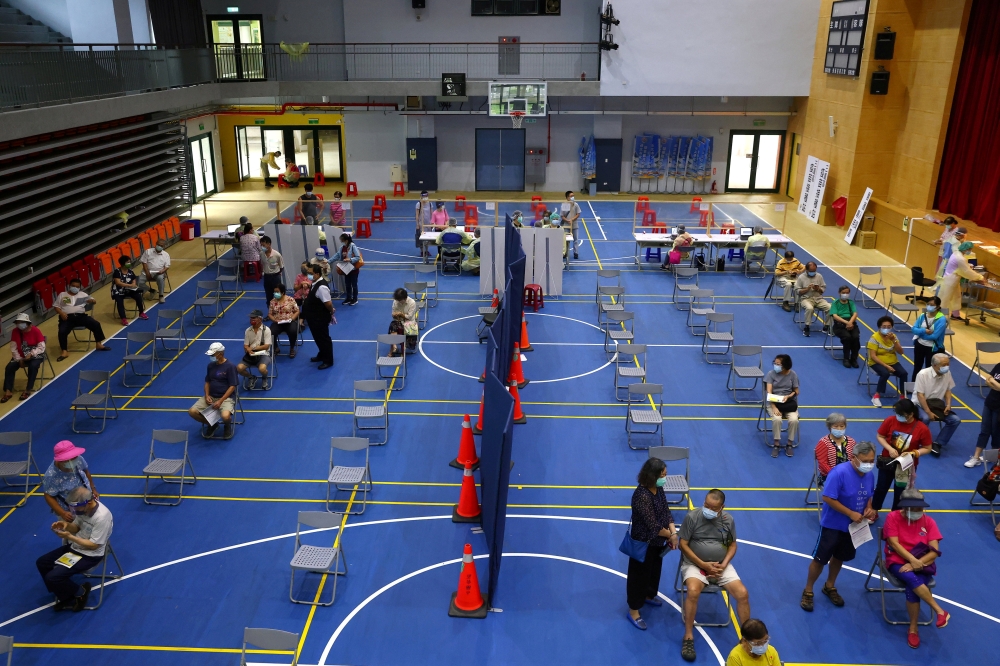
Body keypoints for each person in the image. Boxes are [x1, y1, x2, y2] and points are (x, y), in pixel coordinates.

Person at [800, 440, 878, 613]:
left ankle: (830, 585)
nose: (869, 464)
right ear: (854, 458)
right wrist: (850, 513)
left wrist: (869, 508)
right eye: (865, 461)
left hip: (853, 527)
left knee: (840, 557)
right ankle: (808, 590)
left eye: (872, 460)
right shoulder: (839, 473)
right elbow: (828, 498)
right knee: (820, 559)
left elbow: (869, 495)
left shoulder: (870, 475)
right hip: (833, 525)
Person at [678, 489, 749, 662]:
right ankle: (688, 636)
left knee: (742, 594)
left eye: (713, 507)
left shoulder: (727, 520)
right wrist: (703, 564)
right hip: (696, 564)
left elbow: (732, 545)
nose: (708, 509)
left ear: (722, 507)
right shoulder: (692, 518)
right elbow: (683, 544)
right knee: (693, 591)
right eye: (706, 505)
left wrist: (723, 565)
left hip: (720, 566)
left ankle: (747, 639)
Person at [882, 488, 950, 648]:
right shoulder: (893, 517)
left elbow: (934, 551)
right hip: (897, 560)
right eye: (917, 509)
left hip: (923, 563)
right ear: (906, 508)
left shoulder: (929, 522)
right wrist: (912, 561)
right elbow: (894, 544)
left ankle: (913, 629)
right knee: (911, 579)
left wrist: (916, 563)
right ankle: (939, 611)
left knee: (912, 586)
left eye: (921, 509)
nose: (920, 512)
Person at [35, 485, 112, 612]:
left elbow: (94, 545)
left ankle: (81, 592)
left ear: (87, 503)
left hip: (90, 555)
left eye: (76, 507)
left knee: (52, 577)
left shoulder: (102, 517)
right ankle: (64, 593)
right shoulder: (82, 509)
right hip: (75, 547)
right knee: (42, 563)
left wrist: (70, 537)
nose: (74, 510)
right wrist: (65, 526)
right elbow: (76, 527)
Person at [625, 457, 678, 631]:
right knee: (638, 576)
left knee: (654, 571)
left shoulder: (659, 488)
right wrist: (671, 536)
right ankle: (633, 611)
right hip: (643, 543)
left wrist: (673, 532)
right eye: (663, 475)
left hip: (658, 542)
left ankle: (648, 594)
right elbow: (653, 525)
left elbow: (666, 511)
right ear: (652, 475)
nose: (665, 478)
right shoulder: (641, 495)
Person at [873, 399, 933, 511]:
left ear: (911, 414)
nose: (899, 417)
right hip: (888, 461)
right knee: (881, 488)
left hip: (906, 466)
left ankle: (895, 514)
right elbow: (880, 436)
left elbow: (927, 448)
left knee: (900, 492)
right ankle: (874, 510)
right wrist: (890, 448)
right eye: (897, 413)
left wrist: (914, 453)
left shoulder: (922, 428)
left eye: (902, 415)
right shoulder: (890, 421)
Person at [188, 342, 239, 437]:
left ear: (221, 353)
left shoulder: (230, 367)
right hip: (211, 396)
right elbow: (207, 382)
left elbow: (232, 386)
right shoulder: (210, 366)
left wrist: (220, 401)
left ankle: (227, 426)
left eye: (213, 354)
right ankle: (212, 424)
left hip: (225, 398)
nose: (211, 356)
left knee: (225, 416)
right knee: (192, 412)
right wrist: (207, 395)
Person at [913, 353, 960, 455]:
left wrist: (948, 405)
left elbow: (948, 390)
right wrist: (928, 412)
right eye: (944, 365)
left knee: (955, 420)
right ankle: (919, 442)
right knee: (925, 418)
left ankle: (938, 443)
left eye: (948, 364)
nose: (946, 367)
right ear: (934, 365)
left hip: (936, 405)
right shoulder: (922, 374)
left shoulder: (947, 373)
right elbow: (920, 395)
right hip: (920, 404)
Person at [54, 278, 111, 361]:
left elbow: (94, 301)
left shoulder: (82, 294)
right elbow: (56, 307)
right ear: (69, 286)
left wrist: (91, 300)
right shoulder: (62, 295)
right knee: (62, 331)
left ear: (80, 287)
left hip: (81, 317)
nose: (75, 288)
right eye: (73, 286)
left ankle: (98, 344)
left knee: (96, 324)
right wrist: (62, 313)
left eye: (77, 287)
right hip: (67, 318)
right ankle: (64, 351)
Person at [42, 440, 98, 522]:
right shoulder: (51, 476)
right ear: (60, 461)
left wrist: (93, 489)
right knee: (76, 533)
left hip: (87, 502)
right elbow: (48, 496)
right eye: (68, 459)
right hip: (70, 511)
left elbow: (86, 471)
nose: (73, 460)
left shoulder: (78, 459)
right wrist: (62, 513)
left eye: (74, 457)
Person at [3, 312, 46, 402]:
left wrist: (31, 354)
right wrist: (19, 360)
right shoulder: (15, 332)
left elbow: (41, 347)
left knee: (33, 366)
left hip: (36, 355)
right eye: (18, 322)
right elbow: (13, 347)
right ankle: (8, 391)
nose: (19, 324)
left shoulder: (35, 331)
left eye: (21, 322)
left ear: (27, 323)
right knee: (9, 367)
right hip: (20, 356)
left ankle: (28, 389)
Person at [867, 316, 909, 407]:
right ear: (879, 327)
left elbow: (901, 352)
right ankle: (876, 396)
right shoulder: (874, 338)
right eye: (884, 326)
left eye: (889, 327)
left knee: (904, 373)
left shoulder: (894, 337)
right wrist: (886, 366)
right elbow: (873, 356)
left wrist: (894, 341)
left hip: (892, 361)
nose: (886, 328)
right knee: (885, 373)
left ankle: (902, 396)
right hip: (876, 362)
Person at [938, 240, 983, 320]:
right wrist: (980, 277)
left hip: (952, 279)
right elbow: (967, 272)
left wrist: (968, 266)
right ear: (966, 249)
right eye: (970, 249)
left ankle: (955, 314)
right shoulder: (960, 258)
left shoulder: (956, 253)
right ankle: (940, 317)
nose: (970, 251)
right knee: (946, 299)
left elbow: (961, 266)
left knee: (957, 297)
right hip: (951, 280)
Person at [764, 354, 799, 457]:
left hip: (788, 403)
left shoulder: (793, 375)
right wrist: (774, 407)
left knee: (794, 419)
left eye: (778, 364)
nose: (775, 365)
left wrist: (789, 396)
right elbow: (769, 393)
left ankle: (789, 444)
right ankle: (776, 444)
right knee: (777, 419)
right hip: (774, 403)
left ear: (785, 365)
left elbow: (796, 391)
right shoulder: (771, 374)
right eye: (775, 363)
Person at [967, 357, 1000, 467]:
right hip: (989, 402)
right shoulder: (998, 365)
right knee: (984, 430)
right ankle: (976, 457)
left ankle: (995, 456)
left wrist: (993, 382)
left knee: (996, 432)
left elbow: (992, 381)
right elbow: (987, 379)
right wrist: (995, 384)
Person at [303, 263, 335, 369]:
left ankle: (328, 360)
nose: (308, 275)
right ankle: (322, 354)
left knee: (323, 338)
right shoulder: (314, 283)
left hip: (320, 318)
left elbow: (328, 303)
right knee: (317, 338)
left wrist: (331, 311)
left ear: (317, 274)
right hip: (313, 318)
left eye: (310, 273)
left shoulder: (321, 287)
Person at [910, 297, 947, 380]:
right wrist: (924, 331)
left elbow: (934, 336)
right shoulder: (922, 316)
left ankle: (928, 388)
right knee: (917, 367)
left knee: (930, 369)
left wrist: (921, 334)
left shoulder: (941, 319)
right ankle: (914, 385)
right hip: (919, 345)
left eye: (932, 305)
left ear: (937, 307)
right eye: (928, 304)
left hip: (932, 348)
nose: (929, 306)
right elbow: (913, 329)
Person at [815, 413, 856, 485]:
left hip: (848, 474)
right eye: (836, 426)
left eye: (842, 426)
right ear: (829, 427)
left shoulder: (851, 441)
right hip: (829, 475)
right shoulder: (823, 443)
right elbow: (822, 464)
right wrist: (835, 475)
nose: (839, 429)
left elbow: (855, 459)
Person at [236, 310, 272, 389]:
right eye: (251, 318)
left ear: (260, 319)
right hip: (251, 354)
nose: (251, 320)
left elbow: (266, 346)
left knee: (262, 369)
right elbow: (245, 345)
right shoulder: (248, 330)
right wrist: (248, 349)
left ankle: (264, 378)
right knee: (239, 368)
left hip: (263, 354)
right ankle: (251, 377)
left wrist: (253, 348)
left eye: (254, 318)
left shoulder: (266, 330)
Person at [110, 255, 147, 326]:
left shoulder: (130, 271)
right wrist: (130, 285)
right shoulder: (117, 272)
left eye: (129, 262)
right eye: (128, 262)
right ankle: (123, 319)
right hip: (118, 291)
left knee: (138, 296)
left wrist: (133, 284)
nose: (129, 263)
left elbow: (134, 279)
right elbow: (118, 282)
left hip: (129, 290)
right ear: (123, 263)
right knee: (119, 301)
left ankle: (141, 313)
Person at [795, 262, 829, 337]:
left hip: (818, 299)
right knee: (810, 308)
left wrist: (818, 289)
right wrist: (807, 289)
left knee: (830, 307)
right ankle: (807, 327)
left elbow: (823, 289)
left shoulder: (819, 276)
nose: (813, 273)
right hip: (806, 299)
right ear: (806, 270)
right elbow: (797, 291)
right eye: (811, 271)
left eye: (814, 271)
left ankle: (827, 326)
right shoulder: (801, 277)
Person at [829, 285, 860, 368]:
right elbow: (835, 316)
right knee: (847, 338)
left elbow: (855, 314)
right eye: (843, 293)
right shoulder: (835, 303)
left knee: (856, 337)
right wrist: (846, 323)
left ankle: (854, 359)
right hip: (839, 325)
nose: (845, 294)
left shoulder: (851, 302)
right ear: (839, 293)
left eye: (847, 293)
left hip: (851, 323)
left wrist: (850, 322)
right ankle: (846, 358)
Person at [268, 283, 299, 358]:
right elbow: (270, 314)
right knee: (270, 332)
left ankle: (292, 348)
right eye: (274, 292)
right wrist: (274, 320)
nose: (275, 293)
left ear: (282, 292)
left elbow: (297, 311)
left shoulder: (290, 300)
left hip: (289, 322)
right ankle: (276, 348)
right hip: (278, 322)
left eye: (277, 292)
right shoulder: (272, 302)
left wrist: (292, 319)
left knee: (293, 331)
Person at [390, 287, 419, 355]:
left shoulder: (412, 303)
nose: (398, 302)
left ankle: (405, 344)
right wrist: (395, 315)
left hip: (410, 323)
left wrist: (401, 314)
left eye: (400, 300)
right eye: (398, 300)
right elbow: (393, 314)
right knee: (392, 325)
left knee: (411, 346)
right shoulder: (395, 301)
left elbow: (409, 317)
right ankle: (394, 347)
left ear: (405, 298)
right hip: (399, 321)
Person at [337, 232, 362, 306]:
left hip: (353, 269)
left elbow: (357, 257)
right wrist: (329, 261)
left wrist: (350, 259)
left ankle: (355, 299)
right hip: (346, 269)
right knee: (347, 284)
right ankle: (348, 298)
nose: (341, 242)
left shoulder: (353, 246)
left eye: (342, 241)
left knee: (354, 285)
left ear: (346, 240)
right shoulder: (342, 247)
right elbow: (338, 255)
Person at [260, 235, 284, 308]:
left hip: (275, 277)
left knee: (277, 295)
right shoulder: (261, 254)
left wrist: (276, 274)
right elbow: (262, 264)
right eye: (261, 245)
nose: (262, 247)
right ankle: (270, 313)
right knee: (268, 296)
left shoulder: (277, 255)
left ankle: (280, 312)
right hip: (267, 277)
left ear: (269, 244)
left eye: (263, 245)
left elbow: (281, 267)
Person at [561, 190, 582, 259]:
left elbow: (578, 214)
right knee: (566, 240)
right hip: (566, 225)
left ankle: (576, 253)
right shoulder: (564, 205)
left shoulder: (576, 205)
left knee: (575, 240)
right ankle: (565, 253)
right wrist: (567, 220)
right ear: (567, 197)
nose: (573, 197)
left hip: (575, 225)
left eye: (573, 196)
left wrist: (572, 219)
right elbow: (562, 216)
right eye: (571, 196)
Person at [415, 190, 432, 258]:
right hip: (421, 224)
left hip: (428, 223)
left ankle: (426, 250)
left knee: (428, 238)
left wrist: (432, 222)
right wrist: (417, 224)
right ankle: (422, 251)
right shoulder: (418, 204)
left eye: (426, 196)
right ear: (421, 197)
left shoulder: (430, 203)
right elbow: (417, 215)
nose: (425, 198)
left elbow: (432, 213)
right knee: (421, 238)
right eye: (424, 196)